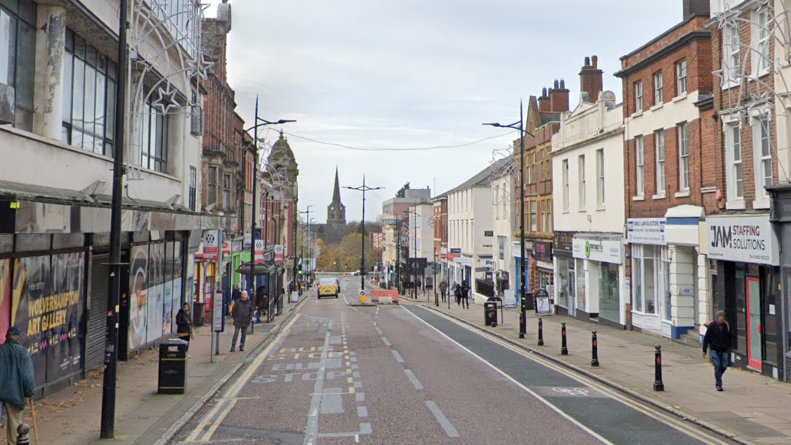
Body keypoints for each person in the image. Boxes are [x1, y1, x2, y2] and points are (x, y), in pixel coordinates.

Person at [0, 327, 35, 445]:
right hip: (13, 392)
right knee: (15, 422)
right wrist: (29, 392)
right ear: (17, 337)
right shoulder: (23, 352)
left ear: (6, 337)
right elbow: (27, 376)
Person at [703, 310, 733, 391]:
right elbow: (706, 338)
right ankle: (719, 384)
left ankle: (718, 376)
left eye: (723, 317)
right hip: (714, 349)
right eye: (720, 317)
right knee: (717, 366)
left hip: (724, 349)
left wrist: (729, 345)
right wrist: (704, 349)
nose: (722, 319)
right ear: (717, 318)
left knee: (724, 365)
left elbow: (730, 336)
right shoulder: (712, 326)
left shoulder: (726, 326)